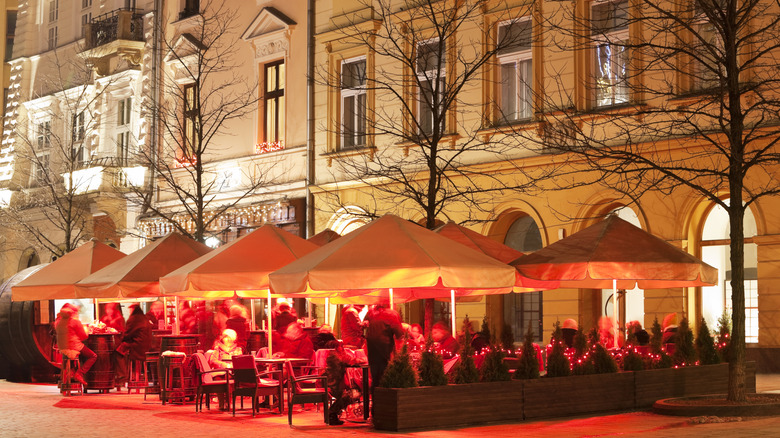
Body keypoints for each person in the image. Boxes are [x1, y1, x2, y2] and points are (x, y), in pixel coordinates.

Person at [364, 303, 403, 395]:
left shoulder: (371, 313)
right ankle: (383, 401)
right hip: (384, 347)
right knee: (384, 375)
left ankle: (375, 403)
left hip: (371, 347)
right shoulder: (392, 314)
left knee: (375, 377)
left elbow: (364, 325)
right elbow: (399, 334)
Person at [55, 303, 97, 387]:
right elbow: (84, 336)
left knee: (73, 358)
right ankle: (79, 374)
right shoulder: (75, 321)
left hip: (62, 348)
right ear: (72, 313)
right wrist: (87, 330)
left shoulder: (58, 321)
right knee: (93, 356)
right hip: (73, 346)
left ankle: (70, 373)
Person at [113, 304, 152, 389]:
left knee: (118, 351)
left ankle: (122, 377)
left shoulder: (133, 319)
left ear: (133, 309)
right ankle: (130, 374)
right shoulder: (144, 318)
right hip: (146, 346)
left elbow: (128, 334)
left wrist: (121, 339)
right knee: (123, 349)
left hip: (137, 346)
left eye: (130, 309)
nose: (129, 311)